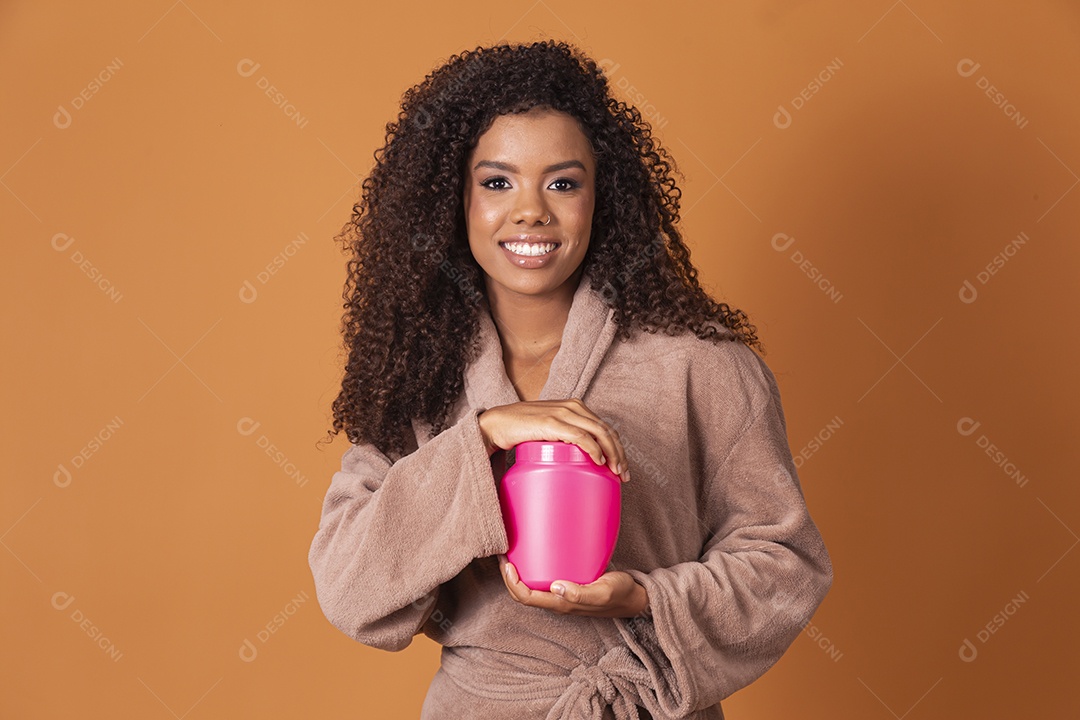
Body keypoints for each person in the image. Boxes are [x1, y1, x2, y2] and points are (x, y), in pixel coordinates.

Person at [308, 39, 832, 719]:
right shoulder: (420, 378)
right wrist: (484, 438)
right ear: (454, 201)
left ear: (601, 197)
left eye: (562, 182)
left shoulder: (702, 365)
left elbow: (787, 564)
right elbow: (349, 586)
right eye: (497, 182)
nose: (530, 211)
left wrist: (646, 599)